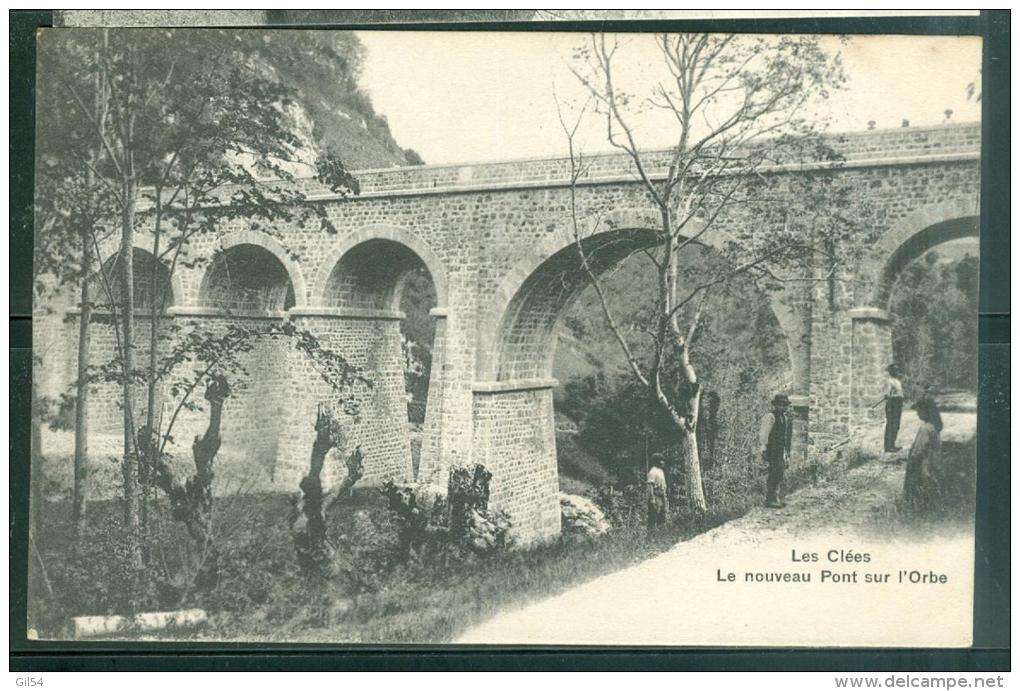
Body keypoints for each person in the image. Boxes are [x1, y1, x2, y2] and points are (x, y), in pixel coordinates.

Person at [903, 397, 942, 514]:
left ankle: (919, 511)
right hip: (930, 462)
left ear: (925, 411)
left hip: (923, 464)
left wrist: (912, 460)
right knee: (928, 485)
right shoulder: (933, 426)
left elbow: (919, 450)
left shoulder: (925, 428)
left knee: (920, 486)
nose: (917, 414)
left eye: (918, 411)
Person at [759, 393, 793, 508]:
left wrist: (786, 452)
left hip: (779, 450)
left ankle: (776, 497)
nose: (783, 407)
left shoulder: (784, 418)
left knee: (779, 473)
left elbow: (785, 436)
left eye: (785, 405)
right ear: (776, 405)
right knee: (773, 473)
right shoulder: (770, 416)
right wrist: (763, 447)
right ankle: (770, 499)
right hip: (771, 450)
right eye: (781, 405)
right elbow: (764, 433)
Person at [884, 364, 905, 452]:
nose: (897, 372)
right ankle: (888, 446)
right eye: (895, 370)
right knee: (891, 424)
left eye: (897, 370)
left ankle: (892, 444)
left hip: (898, 403)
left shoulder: (897, 381)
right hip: (893, 403)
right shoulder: (890, 381)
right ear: (891, 371)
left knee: (896, 425)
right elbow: (887, 394)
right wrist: (889, 396)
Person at [646, 463, 668, 531]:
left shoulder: (661, 471)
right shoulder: (652, 472)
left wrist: (665, 496)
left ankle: (661, 532)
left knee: (662, 515)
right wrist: (652, 498)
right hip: (656, 495)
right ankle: (651, 533)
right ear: (657, 461)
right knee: (654, 515)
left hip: (662, 496)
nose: (663, 462)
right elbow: (650, 486)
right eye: (661, 461)